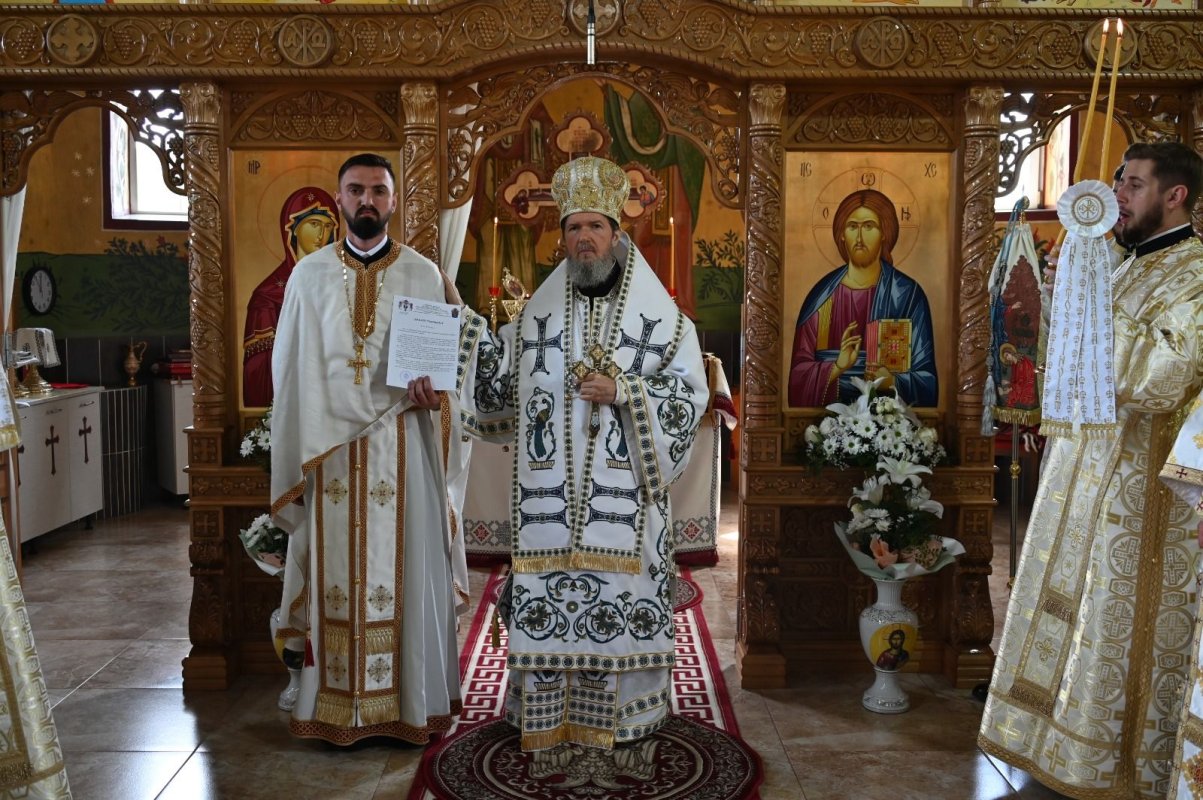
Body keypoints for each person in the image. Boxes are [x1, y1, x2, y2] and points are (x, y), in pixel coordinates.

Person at [439, 155, 708, 751]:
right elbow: (497, 391)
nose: (585, 238)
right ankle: (544, 712)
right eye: (574, 228)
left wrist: (627, 392)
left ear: (616, 233)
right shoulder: (536, 315)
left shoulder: (665, 322)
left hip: (626, 508)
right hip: (549, 511)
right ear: (561, 238)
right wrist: (458, 325)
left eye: (595, 226)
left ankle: (627, 715)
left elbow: (689, 395)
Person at [979, 141, 1203, 799]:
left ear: (1175, 196)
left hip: (1141, 494)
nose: (1117, 196)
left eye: (1133, 184)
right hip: (1081, 472)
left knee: (1112, 620)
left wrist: (1093, 303)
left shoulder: (1194, 275)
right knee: (1068, 612)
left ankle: (1113, 763)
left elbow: (1162, 377)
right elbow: (1073, 362)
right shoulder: (1124, 264)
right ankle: (1052, 742)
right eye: (1117, 181)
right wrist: (1072, 291)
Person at [270, 153, 469, 745]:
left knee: (405, 575)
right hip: (328, 456)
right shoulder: (307, 277)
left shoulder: (425, 275)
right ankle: (332, 706)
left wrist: (437, 398)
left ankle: (408, 707)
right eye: (355, 190)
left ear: (394, 200)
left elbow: (451, 375)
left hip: (404, 449)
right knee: (334, 577)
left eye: (378, 191)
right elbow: (289, 371)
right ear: (339, 199)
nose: (367, 200)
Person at [788, 189, 938, 408]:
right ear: (842, 234)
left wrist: (892, 381)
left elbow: (927, 379)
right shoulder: (821, 298)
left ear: (884, 232)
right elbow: (797, 378)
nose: (859, 238)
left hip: (891, 421)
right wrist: (837, 367)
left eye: (869, 226)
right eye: (852, 227)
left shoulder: (908, 295)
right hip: (827, 419)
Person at [242, 186, 338, 408]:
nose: (322, 235)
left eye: (328, 226)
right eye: (314, 224)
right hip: (291, 399)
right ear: (292, 229)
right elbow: (259, 369)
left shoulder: (344, 285)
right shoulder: (267, 296)